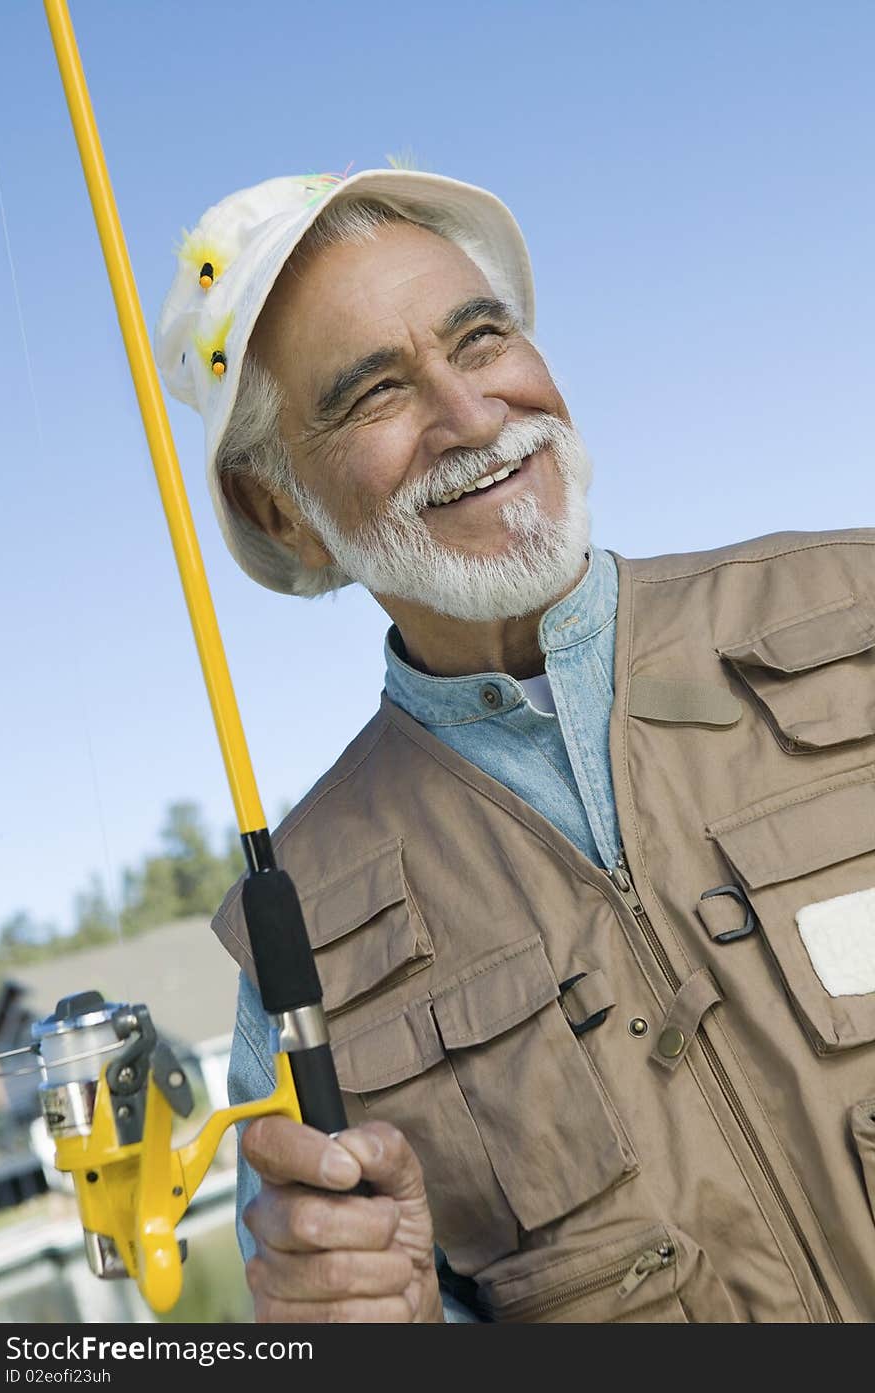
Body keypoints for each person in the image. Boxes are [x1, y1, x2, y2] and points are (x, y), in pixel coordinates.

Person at [155, 166, 875, 1324]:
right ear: (278, 510)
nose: (473, 414)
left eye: (478, 338)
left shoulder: (864, 606)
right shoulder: (301, 940)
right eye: (373, 392)